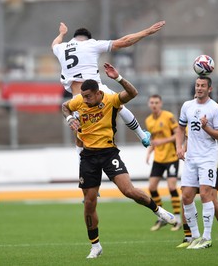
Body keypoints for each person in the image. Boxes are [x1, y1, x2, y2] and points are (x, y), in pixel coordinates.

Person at [62, 62, 177, 259]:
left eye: (89, 96)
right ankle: (95, 245)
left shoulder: (111, 100)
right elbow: (65, 106)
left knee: (129, 191)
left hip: (108, 153)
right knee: (89, 203)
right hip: (88, 156)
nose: (85, 100)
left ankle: (158, 211)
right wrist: (69, 118)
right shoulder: (79, 101)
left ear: (98, 93)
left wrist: (118, 78)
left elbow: (133, 93)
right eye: (83, 96)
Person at [52, 21, 166, 152]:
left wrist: (61, 33)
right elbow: (124, 41)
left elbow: (54, 44)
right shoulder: (91, 44)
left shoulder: (61, 48)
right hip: (97, 90)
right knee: (120, 105)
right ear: (88, 38)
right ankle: (142, 136)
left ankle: (81, 169)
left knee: (80, 137)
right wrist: (147, 32)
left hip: (78, 97)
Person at [175, 75, 218, 249]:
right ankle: (195, 236)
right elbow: (180, 129)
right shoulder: (187, 106)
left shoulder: (215, 108)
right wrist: (179, 147)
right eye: (197, 85)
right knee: (186, 196)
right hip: (191, 158)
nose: (199, 88)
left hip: (208, 157)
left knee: (205, 194)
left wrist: (206, 127)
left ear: (209, 89)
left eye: (203, 85)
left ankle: (207, 237)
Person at [145, 94, 181, 231]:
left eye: (156, 102)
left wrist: (163, 141)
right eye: (152, 102)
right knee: (152, 187)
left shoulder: (168, 116)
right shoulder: (149, 120)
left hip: (171, 157)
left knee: (172, 187)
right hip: (158, 158)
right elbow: (153, 139)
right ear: (149, 104)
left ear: (161, 104)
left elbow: (178, 134)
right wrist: (149, 152)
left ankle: (177, 219)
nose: (154, 105)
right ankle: (163, 217)